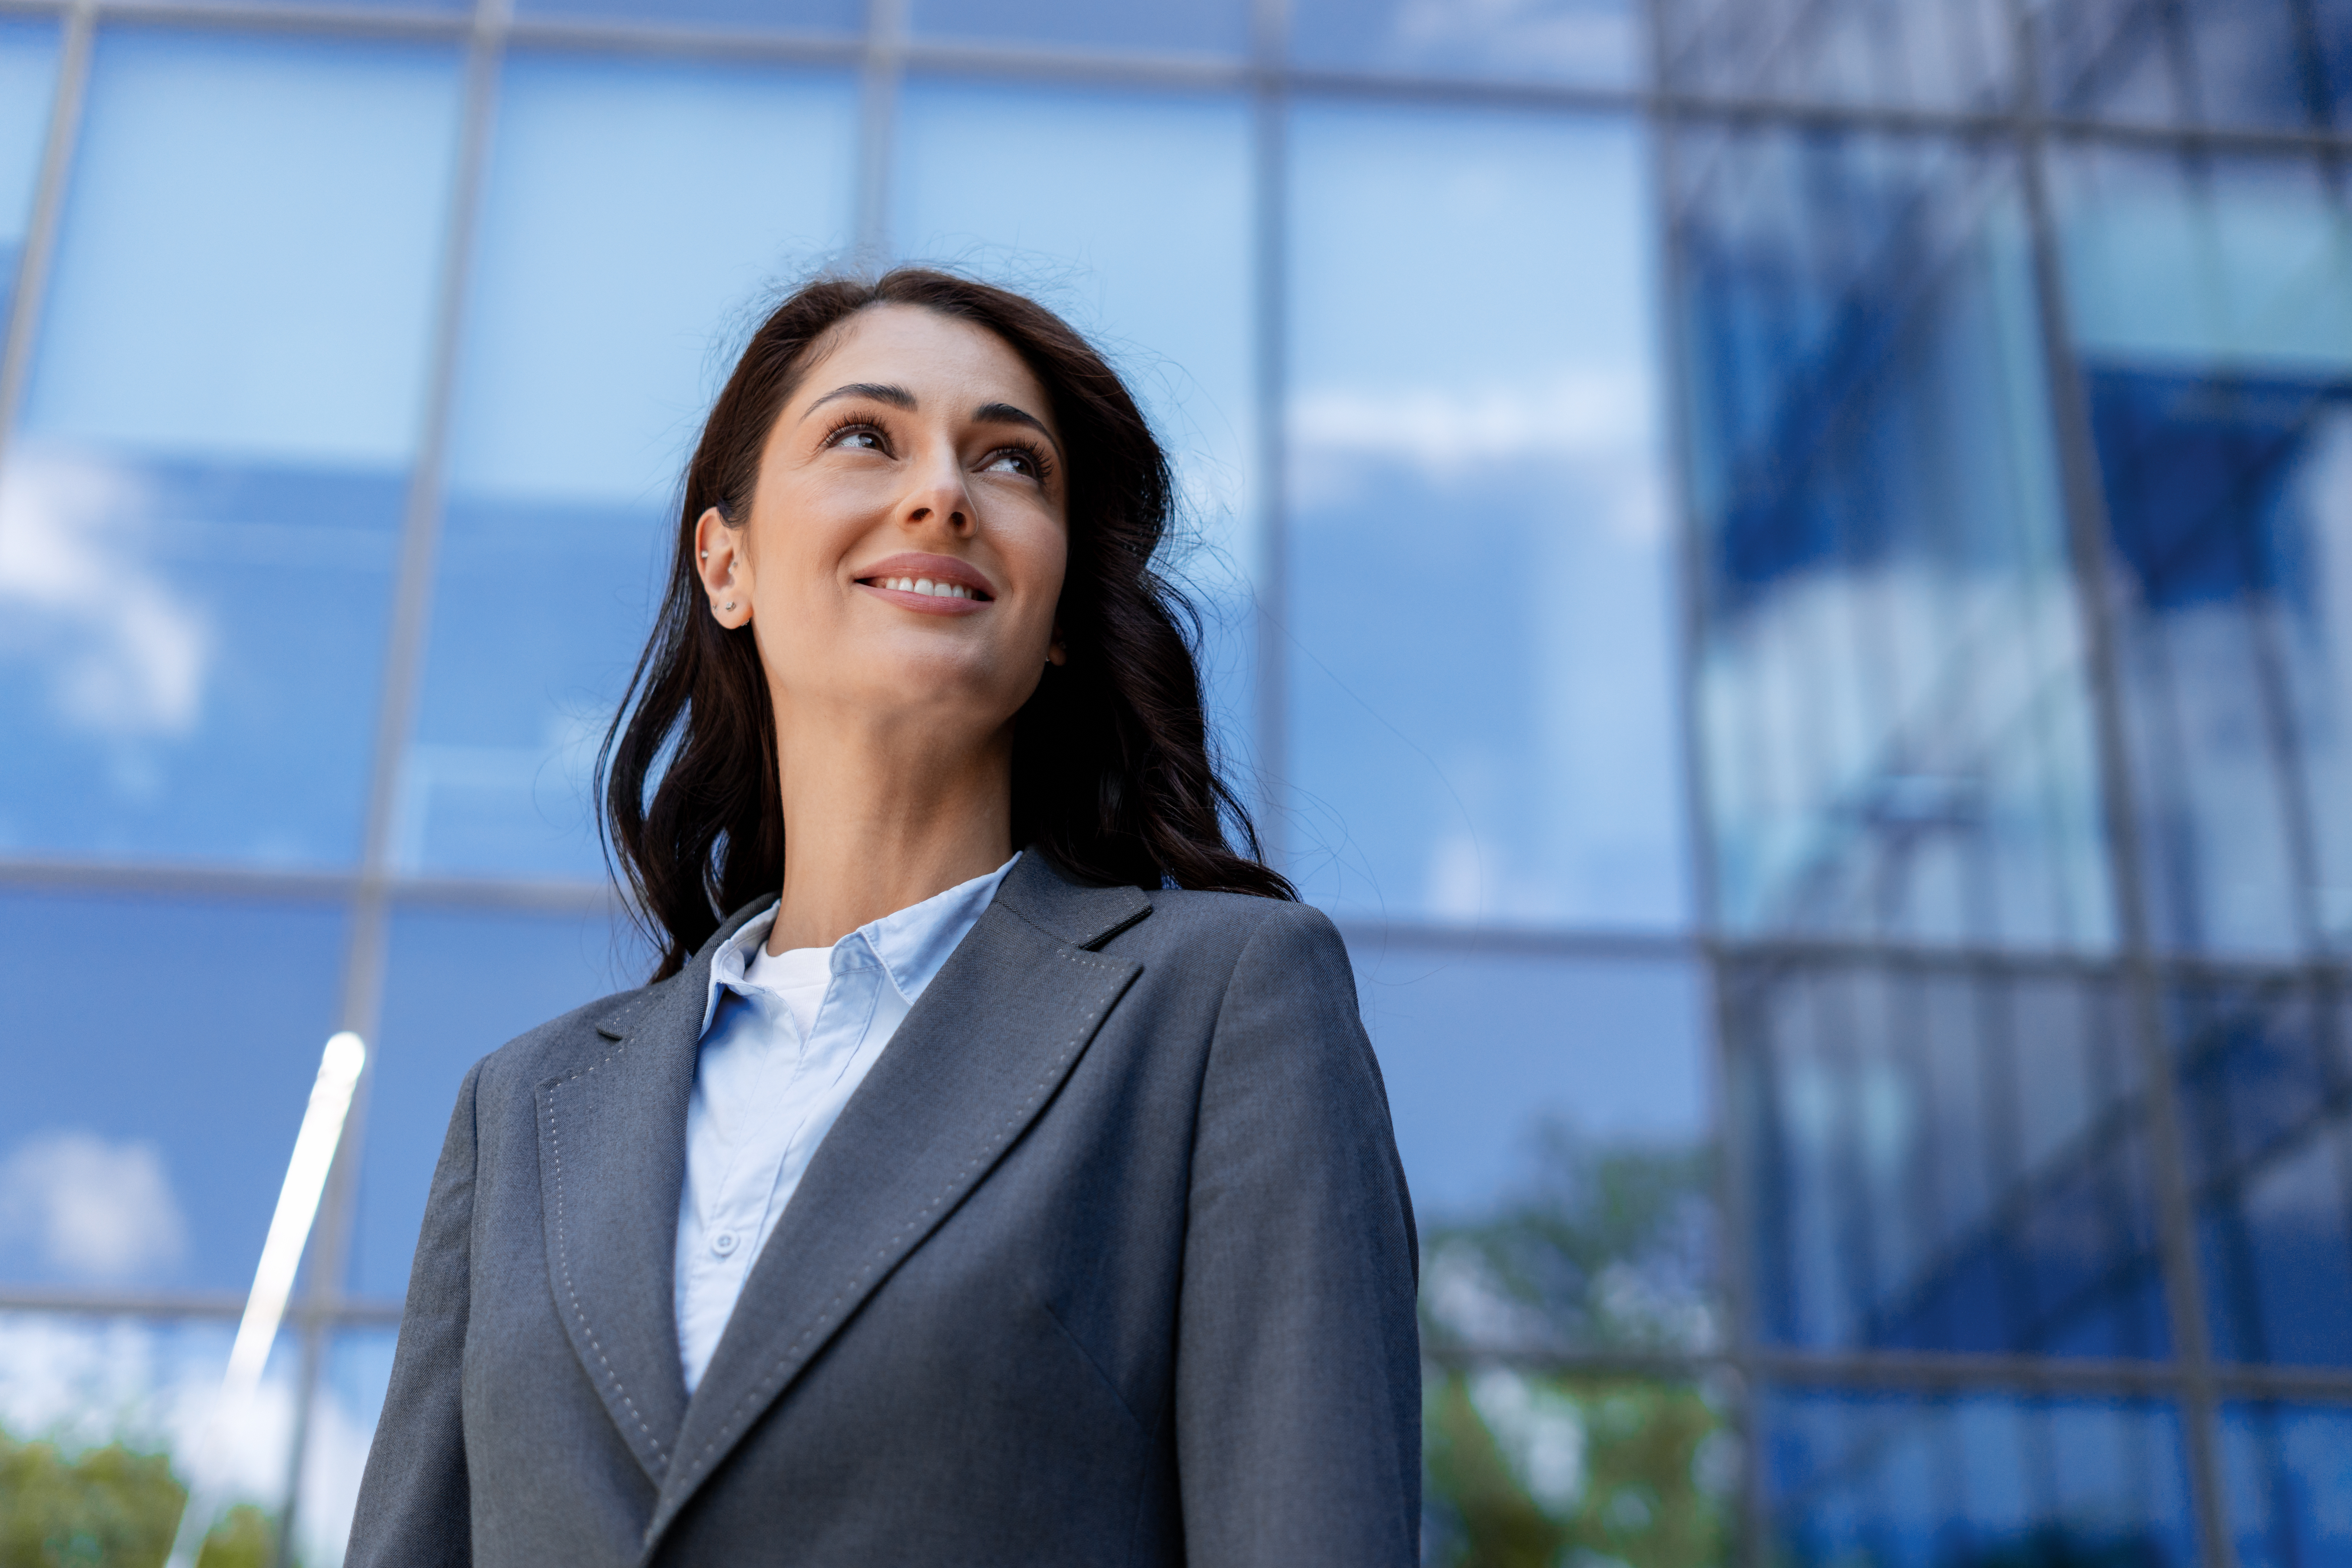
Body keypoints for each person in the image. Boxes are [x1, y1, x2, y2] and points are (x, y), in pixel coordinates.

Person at [347, 268, 1420, 1567]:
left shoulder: (1223, 1007)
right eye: (867, 436)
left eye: (1012, 464)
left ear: (1061, 618)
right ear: (726, 563)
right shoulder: (522, 1109)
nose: (943, 494)